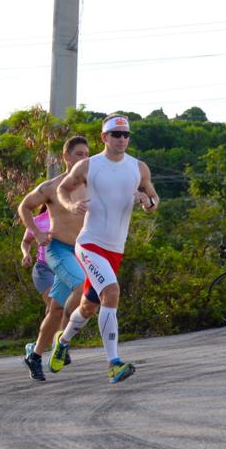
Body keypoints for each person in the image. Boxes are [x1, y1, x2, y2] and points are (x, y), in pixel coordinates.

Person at [52, 115, 159, 382]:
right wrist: (70, 206)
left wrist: (148, 202)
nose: (122, 139)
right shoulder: (89, 166)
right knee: (112, 292)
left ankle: (62, 342)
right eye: (116, 135)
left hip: (115, 249)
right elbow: (63, 190)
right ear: (104, 137)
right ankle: (114, 363)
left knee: (88, 307)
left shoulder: (138, 168)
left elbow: (154, 198)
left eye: (125, 135)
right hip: (89, 243)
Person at [16, 135, 90, 381]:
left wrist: (142, 197)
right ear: (66, 157)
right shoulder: (51, 187)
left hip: (82, 252)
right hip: (57, 250)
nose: (84, 159)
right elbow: (24, 206)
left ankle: (34, 355)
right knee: (82, 287)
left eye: (87, 155)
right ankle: (62, 340)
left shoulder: (93, 185)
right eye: (79, 154)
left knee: (56, 309)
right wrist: (36, 234)